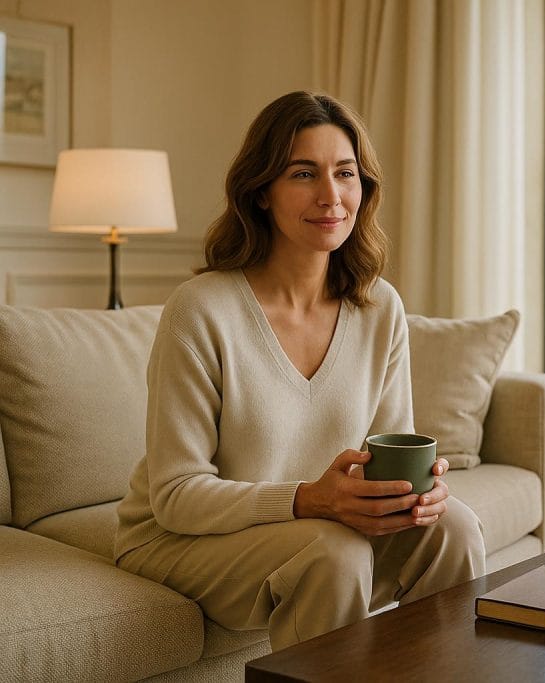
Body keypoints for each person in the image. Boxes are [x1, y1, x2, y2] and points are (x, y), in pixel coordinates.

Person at [114, 91, 485, 651]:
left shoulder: (379, 307)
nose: (331, 196)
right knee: (332, 555)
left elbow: (383, 452)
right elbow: (176, 495)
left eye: (345, 173)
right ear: (261, 192)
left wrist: (416, 493)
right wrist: (309, 499)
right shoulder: (201, 309)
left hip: (317, 527)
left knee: (454, 526)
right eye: (303, 174)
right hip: (177, 536)